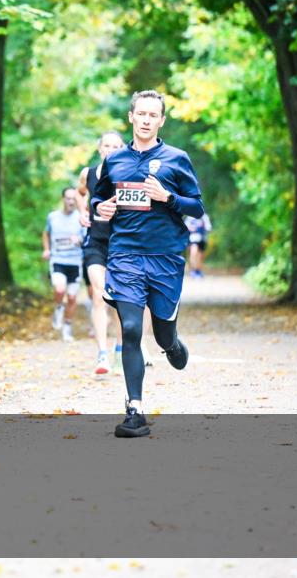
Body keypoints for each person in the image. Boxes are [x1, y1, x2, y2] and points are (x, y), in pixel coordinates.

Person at [91, 90, 205, 438]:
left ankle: (171, 343)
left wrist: (168, 198)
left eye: (152, 115)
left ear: (161, 121)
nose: (145, 119)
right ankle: (135, 410)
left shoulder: (177, 158)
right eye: (140, 113)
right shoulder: (115, 161)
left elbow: (196, 207)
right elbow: (99, 196)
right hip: (125, 254)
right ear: (131, 117)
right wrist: (101, 208)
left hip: (166, 257)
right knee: (129, 328)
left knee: (161, 331)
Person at [76, 131, 125, 374]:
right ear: (99, 149)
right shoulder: (89, 173)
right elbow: (80, 192)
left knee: (118, 301)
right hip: (95, 242)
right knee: (99, 295)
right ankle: (102, 354)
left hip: (122, 245)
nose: (111, 150)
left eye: (117, 146)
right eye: (107, 145)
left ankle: (120, 348)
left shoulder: (129, 174)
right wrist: (82, 212)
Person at [42, 187, 84, 342]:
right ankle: (59, 307)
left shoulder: (81, 218)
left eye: (74, 198)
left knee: (72, 298)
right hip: (58, 260)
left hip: (75, 261)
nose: (71, 201)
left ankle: (67, 327)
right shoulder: (53, 217)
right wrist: (47, 249)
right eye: (68, 198)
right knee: (60, 289)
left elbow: (86, 240)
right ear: (63, 199)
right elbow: (46, 233)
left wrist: (79, 241)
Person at [185, 213, 212, 278]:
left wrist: (204, 227)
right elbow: (185, 226)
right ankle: (193, 270)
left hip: (202, 239)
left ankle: (198, 270)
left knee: (200, 256)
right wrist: (191, 228)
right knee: (193, 253)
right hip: (193, 239)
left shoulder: (204, 217)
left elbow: (209, 228)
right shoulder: (190, 217)